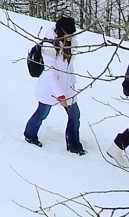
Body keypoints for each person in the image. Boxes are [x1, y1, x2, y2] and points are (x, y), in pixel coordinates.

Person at [24, 16, 84, 154]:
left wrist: (71, 84)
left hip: (67, 87)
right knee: (41, 113)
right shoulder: (49, 46)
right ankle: (29, 135)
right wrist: (60, 95)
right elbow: (50, 73)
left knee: (75, 115)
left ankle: (74, 145)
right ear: (61, 31)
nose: (71, 36)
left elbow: (69, 67)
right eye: (69, 33)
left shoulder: (70, 43)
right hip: (50, 88)